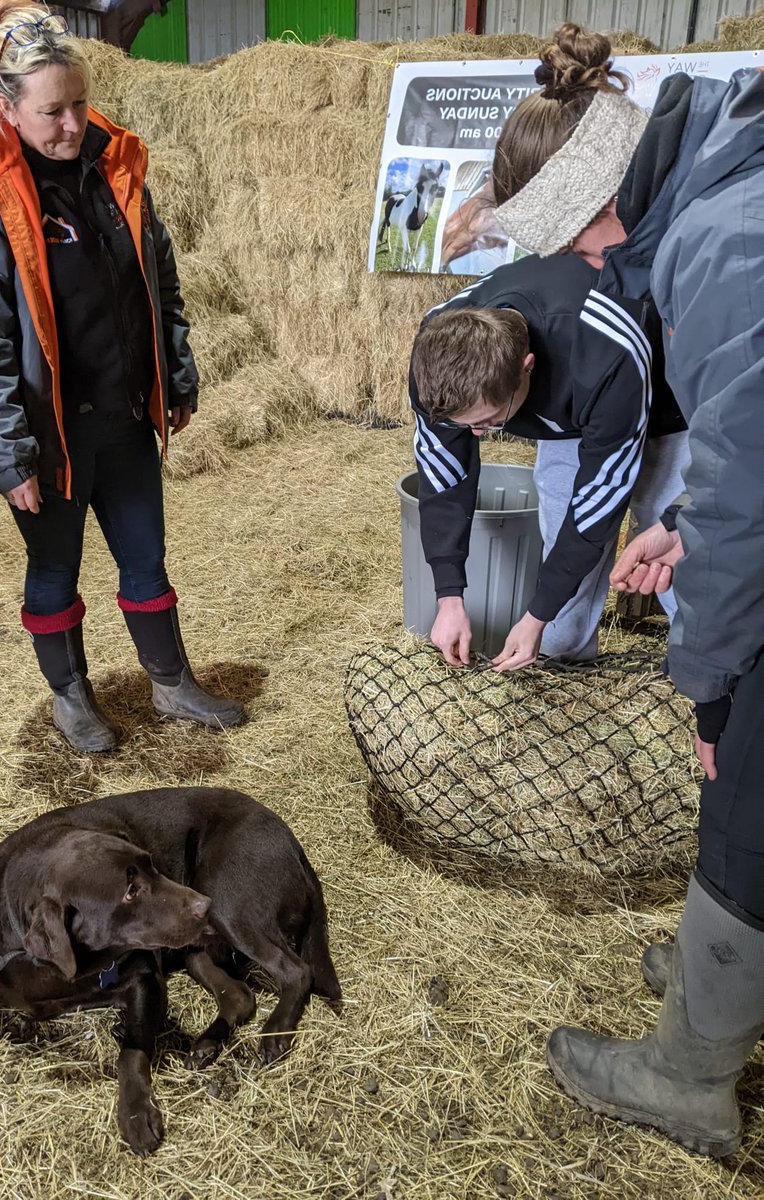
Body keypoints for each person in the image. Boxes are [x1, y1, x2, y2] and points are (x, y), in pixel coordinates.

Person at [491, 22, 764, 1156]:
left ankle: (688, 1073)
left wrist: (704, 681)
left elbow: (754, 493)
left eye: (579, 249)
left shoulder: (716, 244)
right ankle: (726, 981)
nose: (591, 271)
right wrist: (686, 527)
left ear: (603, 213)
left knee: (748, 801)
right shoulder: (724, 171)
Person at [0, 0, 245, 752]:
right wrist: (7, 452)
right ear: (5, 109)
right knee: (55, 567)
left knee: (146, 554)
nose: (72, 124)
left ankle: (171, 685)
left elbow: (158, 274)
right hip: (51, 434)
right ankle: (72, 700)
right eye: (52, 112)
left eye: (78, 104)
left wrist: (175, 370)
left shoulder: (112, 164)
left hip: (125, 413)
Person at [409, 253, 688, 671]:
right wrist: (448, 597)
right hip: (572, 413)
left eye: (490, 422)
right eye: (465, 425)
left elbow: (600, 504)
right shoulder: (436, 360)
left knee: (667, 537)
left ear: (527, 368)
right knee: (560, 537)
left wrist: (535, 615)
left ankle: (707, 670)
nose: (478, 435)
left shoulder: (602, 349)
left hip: (667, 401)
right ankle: (563, 667)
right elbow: (445, 479)